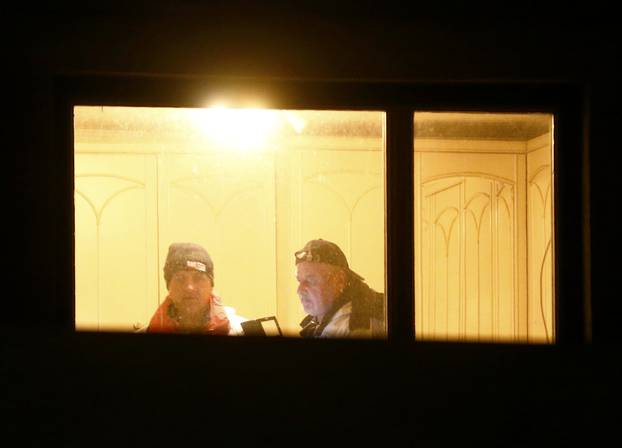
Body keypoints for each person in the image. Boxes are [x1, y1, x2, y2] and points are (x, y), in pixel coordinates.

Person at [294, 238, 385, 338]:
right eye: (299, 280)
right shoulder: (358, 302)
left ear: (340, 280)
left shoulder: (349, 328)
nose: (300, 290)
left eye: (311, 280)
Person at [146, 242, 231, 335]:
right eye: (180, 279)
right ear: (169, 286)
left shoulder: (239, 331)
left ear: (211, 286)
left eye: (198, 278)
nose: (189, 287)